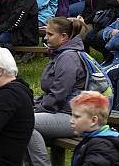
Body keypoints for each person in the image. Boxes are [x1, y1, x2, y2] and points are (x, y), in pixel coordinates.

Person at [27, 18, 88, 166]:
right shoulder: (60, 54)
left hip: (74, 117)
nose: (46, 37)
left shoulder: (68, 58)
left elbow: (58, 94)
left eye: (50, 34)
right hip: (61, 111)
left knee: (24, 123)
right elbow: (51, 92)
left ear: (64, 37)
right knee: (22, 123)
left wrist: (37, 108)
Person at [69, 91, 119, 166]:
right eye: (72, 115)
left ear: (93, 120)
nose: (71, 121)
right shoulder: (94, 139)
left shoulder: (101, 148)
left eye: (76, 116)